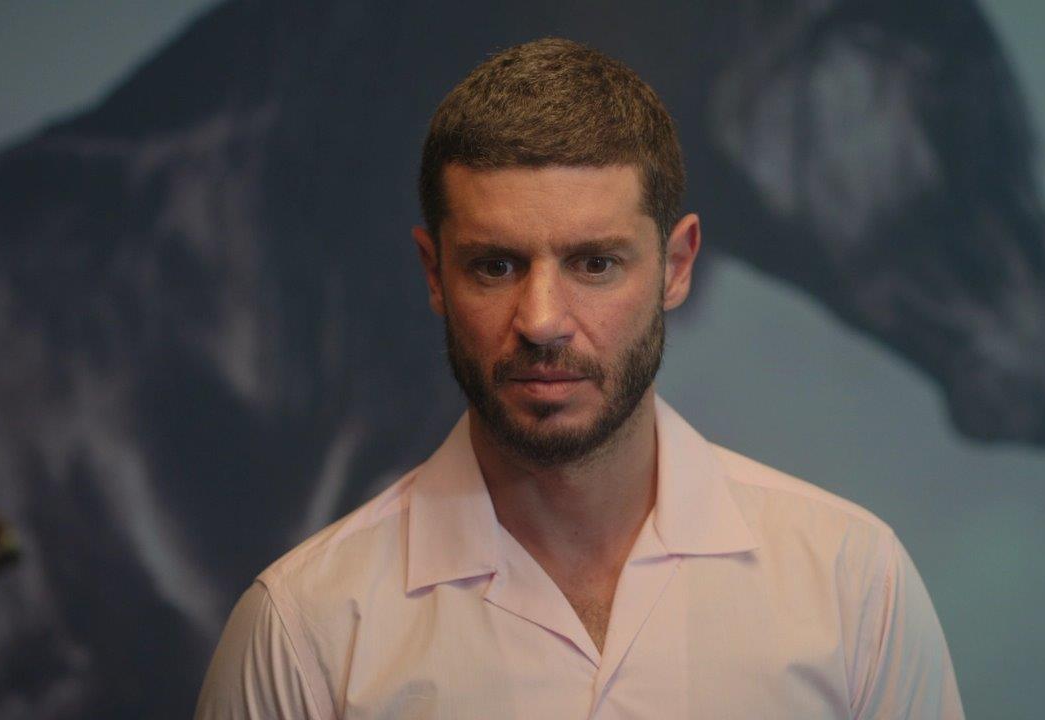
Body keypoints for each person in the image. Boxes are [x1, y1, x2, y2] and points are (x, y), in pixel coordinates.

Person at [195, 37, 963, 719]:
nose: (541, 321)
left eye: (595, 263)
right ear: (434, 274)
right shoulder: (303, 628)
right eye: (495, 266)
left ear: (678, 265)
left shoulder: (851, 583)